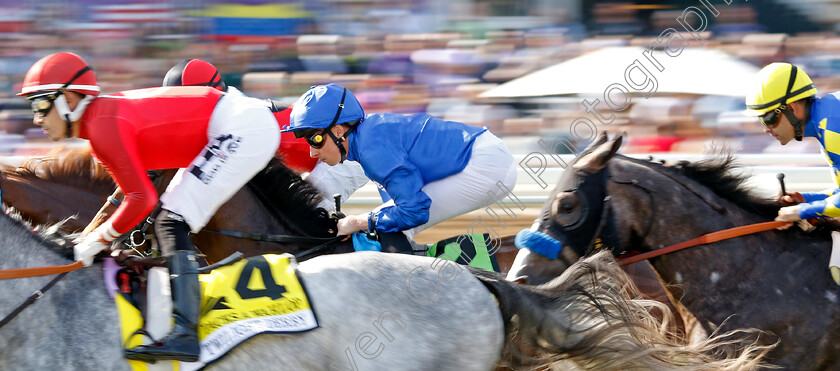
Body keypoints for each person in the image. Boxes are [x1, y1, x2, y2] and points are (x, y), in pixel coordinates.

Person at [18, 52, 282, 362]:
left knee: (171, 221)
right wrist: (96, 236)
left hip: (241, 127)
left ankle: (185, 333)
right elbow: (130, 197)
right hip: (233, 124)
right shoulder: (100, 123)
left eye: (40, 105)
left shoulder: (103, 126)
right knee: (170, 218)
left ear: (70, 100)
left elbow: (142, 198)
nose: (37, 119)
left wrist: (97, 239)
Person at [282, 83, 518, 250]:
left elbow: (414, 211)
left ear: (338, 131)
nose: (313, 152)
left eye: (316, 140)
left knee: (391, 228)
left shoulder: (372, 149)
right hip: (485, 154)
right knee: (386, 224)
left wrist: (356, 222)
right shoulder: (366, 139)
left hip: (487, 166)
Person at [162, 59, 369, 210]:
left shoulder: (235, 120)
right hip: (321, 157)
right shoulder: (227, 111)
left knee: (300, 218)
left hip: (344, 156)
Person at [744, 62, 840, 284]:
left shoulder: (833, 126)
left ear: (793, 108)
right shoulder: (827, 120)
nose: (766, 128)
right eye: (761, 120)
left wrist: (803, 211)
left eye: (769, 118)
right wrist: (806, 199)